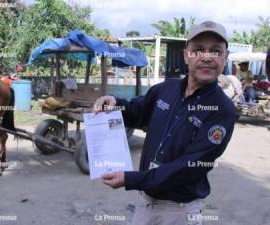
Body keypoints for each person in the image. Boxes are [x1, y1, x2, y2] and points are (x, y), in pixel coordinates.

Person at [93, 21, 238, 225]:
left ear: (225, 57)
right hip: (145, 204)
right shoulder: (166, 88)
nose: (207, 57)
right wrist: (116, 104)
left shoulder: (223, 111)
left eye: (215, 51)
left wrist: (132, 179)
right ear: (186, 55)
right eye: (198, 50)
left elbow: (187, 167)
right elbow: (138, 110)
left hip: (179, 212)